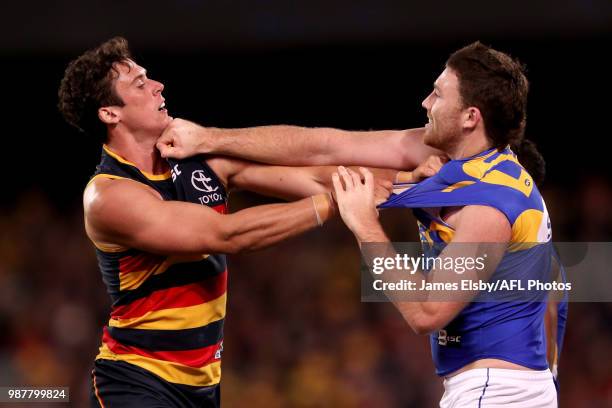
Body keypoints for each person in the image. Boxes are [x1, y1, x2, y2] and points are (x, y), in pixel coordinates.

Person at [159, 42, 566, 407]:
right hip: (510, 386)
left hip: (494, 392)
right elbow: (325, 147)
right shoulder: (475, 170)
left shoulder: (490, 205)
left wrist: (365, 227)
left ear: (470, 118)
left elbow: (427, 312)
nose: (426, 102)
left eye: (439, 95)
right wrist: (209, 140)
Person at [57, 37, 431, 408]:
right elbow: (227, 234)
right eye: (140, 84)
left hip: (203, 386)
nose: (158, 86)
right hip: (135, 379)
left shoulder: (196, 159)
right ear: (110, 113)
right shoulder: (107, 196)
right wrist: (336, 202)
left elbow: (318, 175)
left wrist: (411, 179)